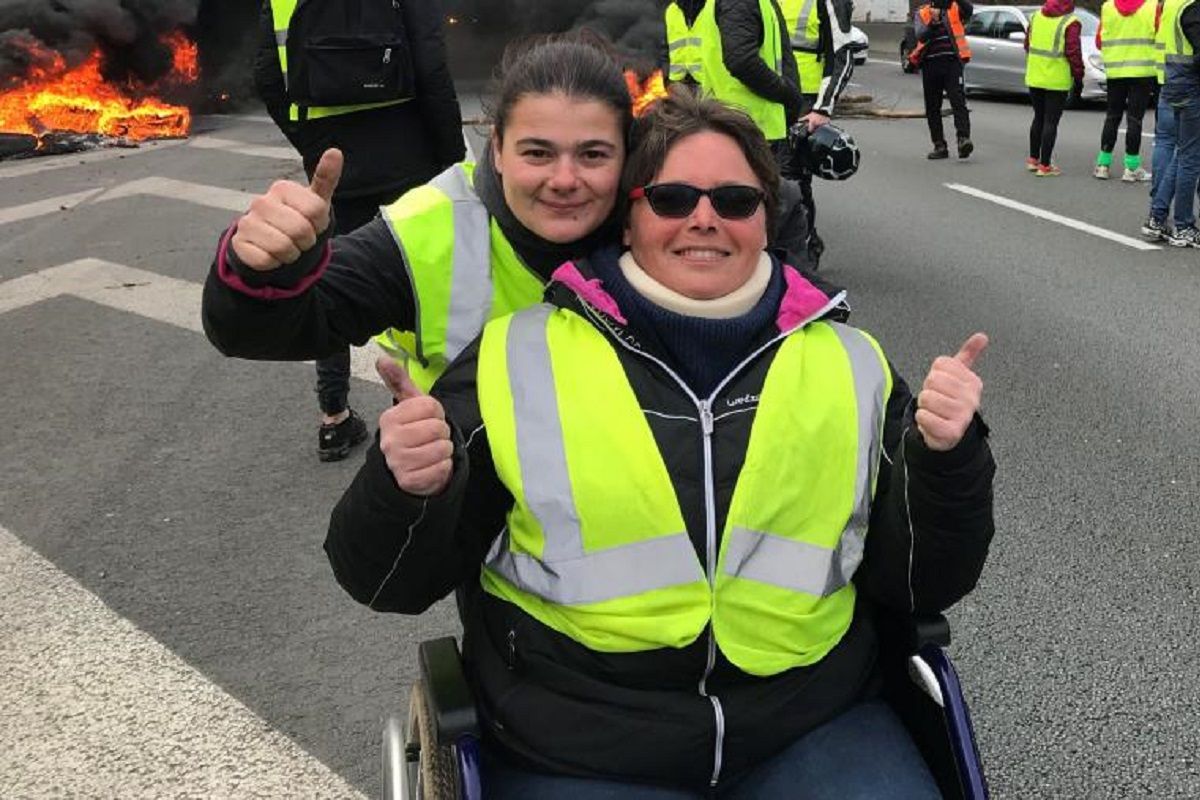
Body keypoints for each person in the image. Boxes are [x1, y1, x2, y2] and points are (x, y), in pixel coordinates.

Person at [325, 88, 996, 798]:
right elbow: (382, 580)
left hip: (808, 725)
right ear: (630, 217)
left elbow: (926, 583)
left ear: (766, 218)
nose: (704, 219)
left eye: (735, 200)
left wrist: (945, 461)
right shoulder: (515, 358)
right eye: (673, 197)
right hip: (581, 742)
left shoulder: (852, 362)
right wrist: (406, 486)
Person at [253, 0, 464, 461]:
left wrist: (311, 142)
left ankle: (334, 417)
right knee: (416, 282)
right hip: (410, 155)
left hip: (336, 163)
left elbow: (269, 76)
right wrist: (451, 160)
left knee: (334, 280)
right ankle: (414, 407)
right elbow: (431, 67)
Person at [778, 0, 861, 263]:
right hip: (767, 94)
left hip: (806, 100)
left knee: (792, 179)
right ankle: (801, 238)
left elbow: (843, 52)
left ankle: (801, 253)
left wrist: (823, 108)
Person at [1152, 0, 1200, 246]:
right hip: (1190, 87)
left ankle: (1157, 217)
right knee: (1190, 159)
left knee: (1181, 155)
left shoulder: (1172, 4)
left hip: (1172, 83)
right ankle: (1183, 226)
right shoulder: (1192, 8)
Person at [1093, 0, 1157, 181]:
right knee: (1135, 119)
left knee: (1112, 117)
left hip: (1115, 71)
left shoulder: (1107, 7)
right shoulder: (1152, 7)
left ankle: (1102, 165)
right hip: (1142, 71)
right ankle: (1131, 168)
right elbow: (1161, 38)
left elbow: (1099, 41)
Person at [1024, 0, 1085, 176]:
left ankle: (1033, 159)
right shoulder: (1071, 22)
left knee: (1038, 118)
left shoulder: (1035, 17)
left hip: (1035, 76)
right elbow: (1073, 52)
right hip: (1056, 79)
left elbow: (1027, 45)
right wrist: (1078, 75)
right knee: (1051, 121)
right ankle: (1045, 166)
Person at [909, 0, 974, 160]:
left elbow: (969, 10)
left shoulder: (954, 8)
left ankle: (963, 139)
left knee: (958, 101)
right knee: (932, 107)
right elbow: (920, 35)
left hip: (952, 63)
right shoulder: (922, 13)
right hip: (931, 65)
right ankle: (939, 145)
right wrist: (933, 21)